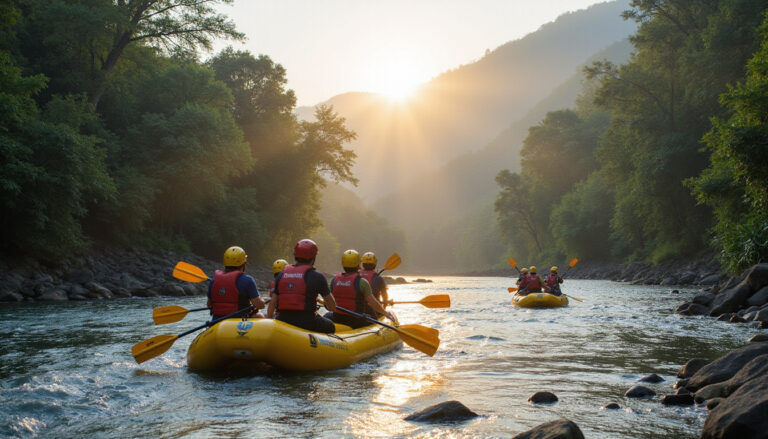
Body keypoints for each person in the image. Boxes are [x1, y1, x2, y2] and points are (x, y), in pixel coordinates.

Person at [267, 239, 337, 333]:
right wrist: (324, 302)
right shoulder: (318, 277)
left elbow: (272, 305)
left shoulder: (281, 275)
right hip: (307, 322)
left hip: (282, 320)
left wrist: (270, 322)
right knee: (330, 326)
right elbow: (332, 307)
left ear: (295, 255)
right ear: (313, 257)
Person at [326, 249, 395, 329]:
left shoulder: (334, 280)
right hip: (355, 320)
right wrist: (385, 313)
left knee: (327, 315)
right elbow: (373, 303)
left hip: (337, 317)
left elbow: (327, 303)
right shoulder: (362, 282)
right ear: (358, 264)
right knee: (372, 318)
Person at [207, 246, 265, 320]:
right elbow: (259, 305)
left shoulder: (213, 281)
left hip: (217, 323)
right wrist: (262, 301)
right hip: (238, 323)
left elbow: (209, 304)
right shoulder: (247, 280)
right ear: (243, 264)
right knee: (259, 316)